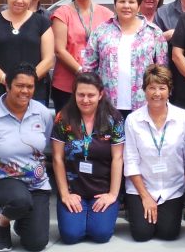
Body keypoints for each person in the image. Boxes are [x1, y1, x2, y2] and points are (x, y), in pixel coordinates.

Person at [0, 63, 53, 252]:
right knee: (19, 200)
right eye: (19, 85)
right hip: (0, 182)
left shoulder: (42, 113)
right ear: (7, 85)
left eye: (30, 86)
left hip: (36, 184)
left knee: (36, 243)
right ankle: (3, 223)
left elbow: (45, 145)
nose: (25, 91)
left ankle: (22, 218)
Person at [124, 64, 185, 242]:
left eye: (162, 88)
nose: (157, 93)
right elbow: (131, 160)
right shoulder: (133, 120)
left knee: (168, 233)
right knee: (142, 234)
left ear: (169, 90)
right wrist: (146, 197)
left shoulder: (184, 118)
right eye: (152, 88)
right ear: (144, 90)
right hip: (142, 187)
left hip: (173, 188)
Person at [51, 72, 124, 244]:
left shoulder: (113, 118)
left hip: (103, 190)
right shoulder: (64, 118)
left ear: (100, 94)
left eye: (91, 95)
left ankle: (96, 215)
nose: (85, 100)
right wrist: (64, 194)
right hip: (74, 189)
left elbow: (118, 158)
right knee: (71, 236)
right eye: (81, 94)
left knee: (100, 234)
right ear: (74, 94)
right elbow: (57, 158)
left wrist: (112, 194)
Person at [82, 0, 168, 117]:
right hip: (107, 105)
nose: (126, 6)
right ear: (115, 5)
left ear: (139, 6)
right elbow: (88, 68)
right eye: (122, 1)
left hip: (144, 106)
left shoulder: (154, 33)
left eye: (131, 2)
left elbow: (163, 71)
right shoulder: (101, 31)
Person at [51, 0, 114, 110]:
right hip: (66, 84)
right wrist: (82, 71)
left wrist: (94, 77)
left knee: (95, 128)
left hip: (98, 84)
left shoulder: (107, 14)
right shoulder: (62, 13)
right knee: (67, 129)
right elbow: (59, 50)